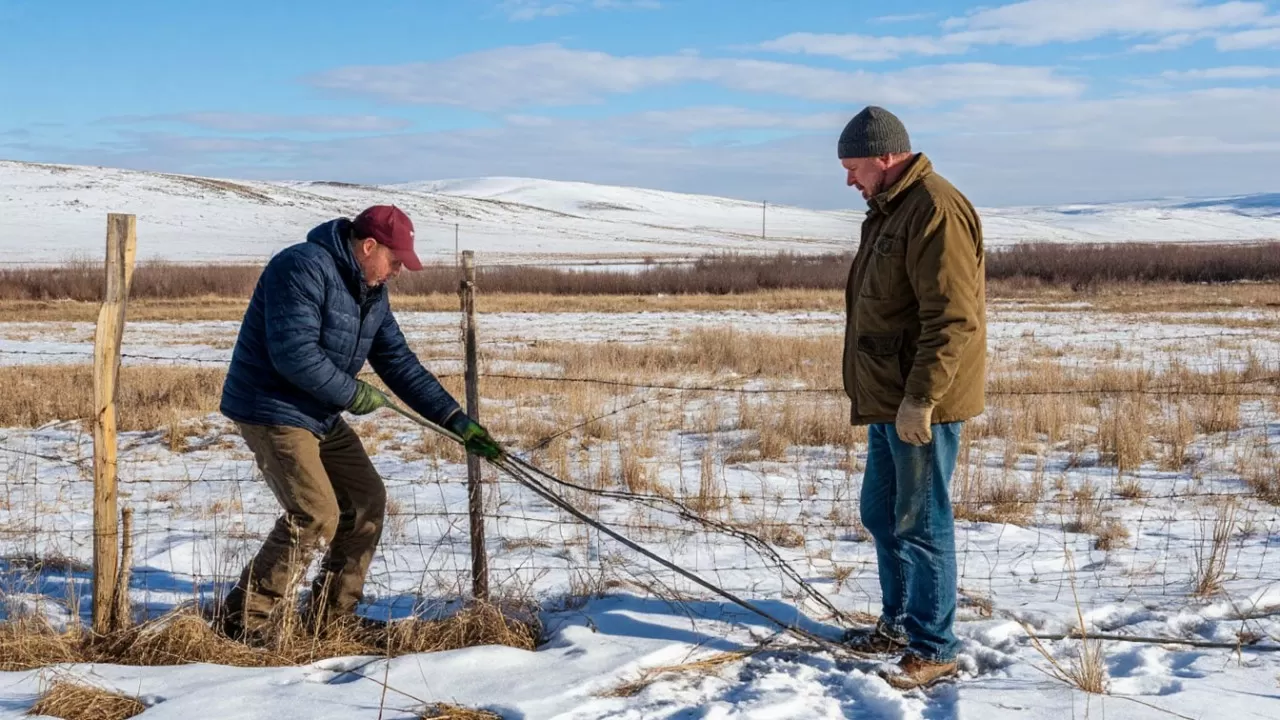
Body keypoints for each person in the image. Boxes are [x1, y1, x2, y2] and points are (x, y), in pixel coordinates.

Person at [216, 204, 503, 641]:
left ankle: (332, 617)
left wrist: (454, 420)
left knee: (366, 500)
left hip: (319, 410)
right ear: (369, 246)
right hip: (271, 407)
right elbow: (294, 354)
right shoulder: (300, 267)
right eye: (395, 260)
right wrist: (353, 393)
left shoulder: (370, 291)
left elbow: (398, 362)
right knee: (316, 513)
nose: (398, 271)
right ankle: (242, 621)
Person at [837, 106, 986, 689]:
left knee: (920, 521)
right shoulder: (891, 207)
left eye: (855, 168)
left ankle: (934, 647)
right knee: (882, 513)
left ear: (887, 156)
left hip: (920, 403)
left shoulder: (933, 209)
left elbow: (952, 319)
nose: (850, 181)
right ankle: (896, 626)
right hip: (888, 398)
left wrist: (921, 399)